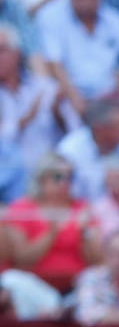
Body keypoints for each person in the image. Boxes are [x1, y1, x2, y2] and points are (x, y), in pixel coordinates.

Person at [39, 0, 119, 117]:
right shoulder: (50, 16)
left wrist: (116, 96)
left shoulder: (116, 21)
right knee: (53, 97)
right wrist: (76, 100)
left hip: (111, 95)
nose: (86, 1)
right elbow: (54, 64)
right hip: (68, 93)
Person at [3, 156, 97, 281]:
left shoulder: (82, 208)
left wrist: (84, 232)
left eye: (70, 178)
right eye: (58, 177)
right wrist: (51, 234)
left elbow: (96, 261)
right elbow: (22, 260)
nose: (65, 183)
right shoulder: (22, 209)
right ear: (42, 179)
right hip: (34, 282)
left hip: (77, 283)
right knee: (12, 279)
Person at [0, 24, 63, 203]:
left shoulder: (45, 86)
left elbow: (70, 135)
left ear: (17, 53)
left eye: (1, 50)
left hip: (47, 173)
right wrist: (25, 120)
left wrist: (59, 114)